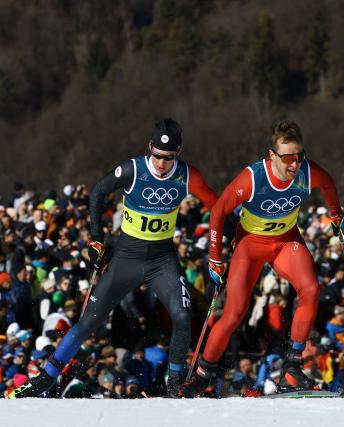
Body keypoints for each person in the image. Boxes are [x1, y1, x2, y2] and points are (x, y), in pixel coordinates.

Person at [9, 118, 218, 398]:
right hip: (127, 256)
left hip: (162, 259)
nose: (161, 163)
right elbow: (97, 191)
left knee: (182, 315)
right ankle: (45, 379)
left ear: (177, 154)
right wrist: (97, 238)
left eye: (168, 158)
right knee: (88, 322)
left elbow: (218, 208)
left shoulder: (187, 175)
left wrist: (223, 248)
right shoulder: (134, 168)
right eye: (157, 155)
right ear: (149, 148)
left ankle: (176, 384)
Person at [183, 119, 344, 395]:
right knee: (234, 313)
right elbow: (217, 211)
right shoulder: (253, 178)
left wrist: (336, 214)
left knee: (310, 289)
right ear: (272, 156)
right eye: (288, 158)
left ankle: (293, 369)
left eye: (299, 156)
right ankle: (202, 374)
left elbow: (329, 185)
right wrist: (215, 257)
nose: (295, 164)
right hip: (251, 244)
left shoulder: (309, 172)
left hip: (286, 241)